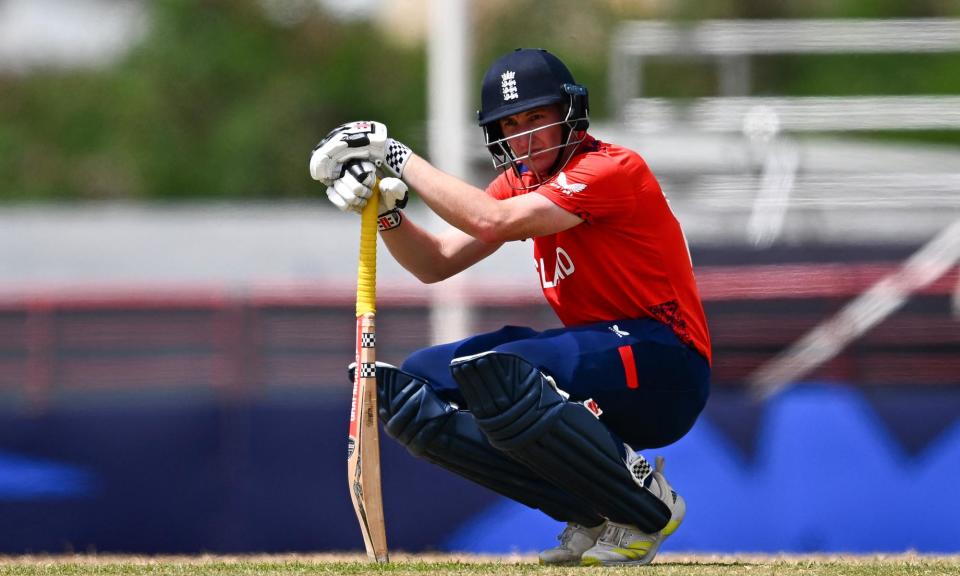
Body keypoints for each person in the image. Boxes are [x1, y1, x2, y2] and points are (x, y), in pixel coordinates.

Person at [309, 48, 711, 566]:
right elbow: (436, 263)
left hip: (667, 365)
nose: (525, 136)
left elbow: (492, 222)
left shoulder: (611, 168)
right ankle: (595, 515)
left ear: (569, 112)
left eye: (538, 117)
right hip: (604, 363)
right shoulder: (518, 182)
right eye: (511, 124)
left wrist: (397, 157)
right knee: (419, 385)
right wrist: (386, 215)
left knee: (507, 372)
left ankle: (647, 508)